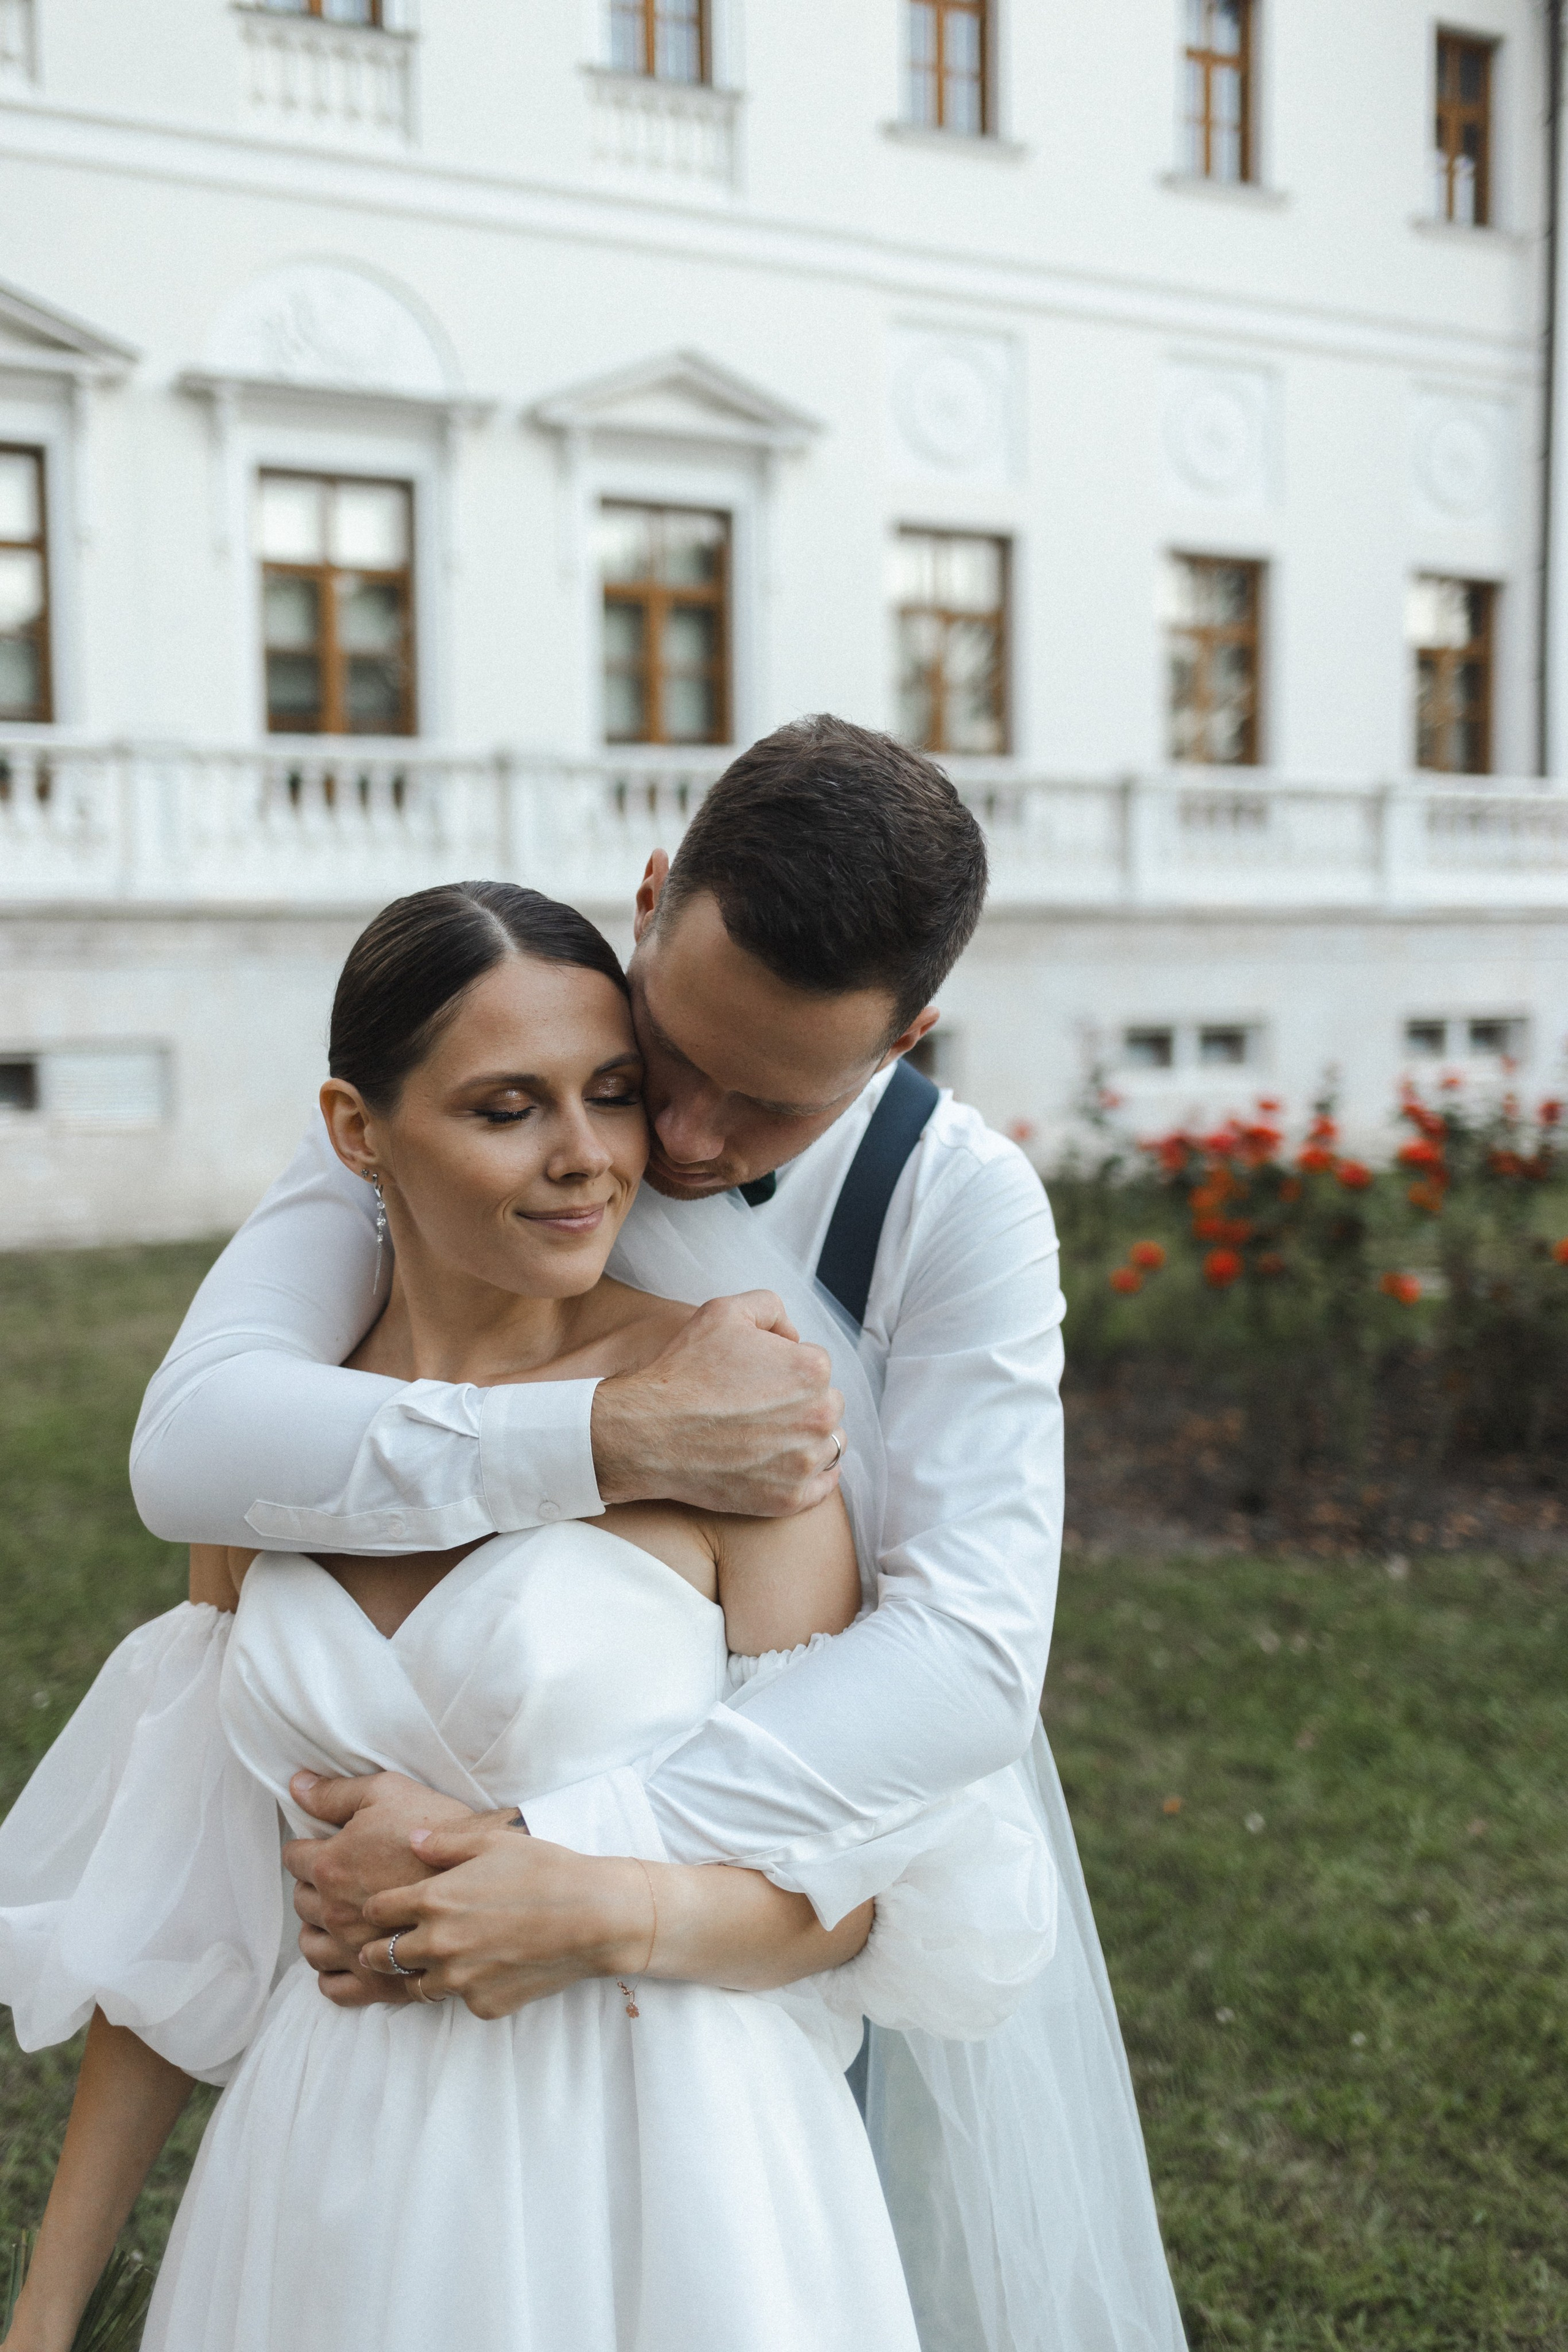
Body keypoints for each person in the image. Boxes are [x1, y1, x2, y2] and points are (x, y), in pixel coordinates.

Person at [62, 717, 1186, 2346]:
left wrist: (561, 1856)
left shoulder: (958, 1206)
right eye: (678, 1057)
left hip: (799, 1843)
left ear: (907, 1037)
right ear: (651, 901)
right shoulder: (473, 1091)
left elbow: (962, 1668)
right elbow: (197, 1450)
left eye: (774, 1104)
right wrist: (608, 1438)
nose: (681, 1141)